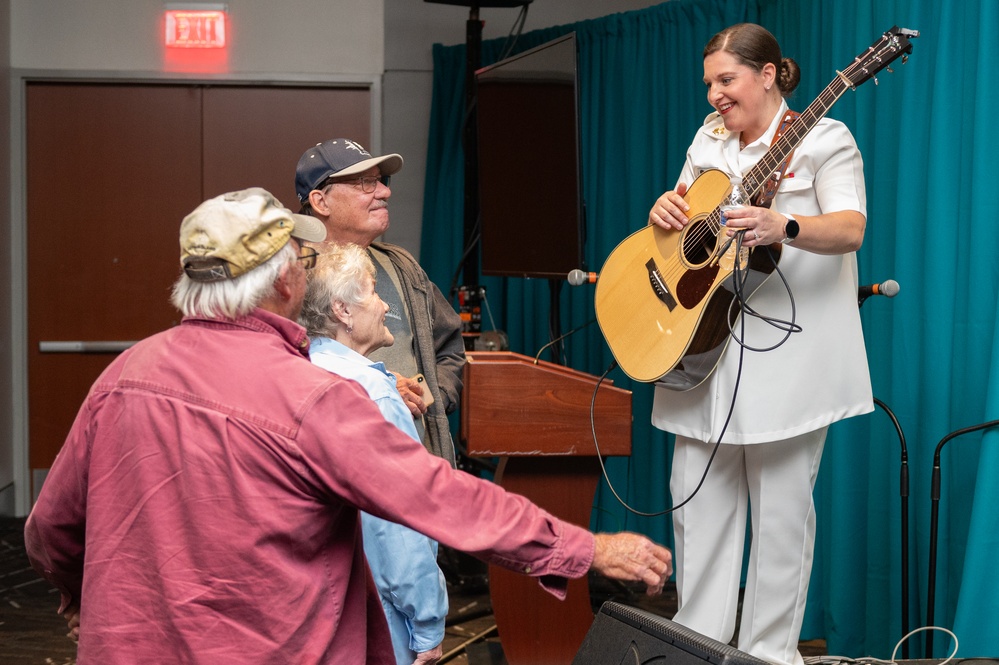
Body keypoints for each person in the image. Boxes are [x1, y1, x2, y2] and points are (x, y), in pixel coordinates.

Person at [25, 187, 673, 664]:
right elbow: (443, 498)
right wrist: (588, 548)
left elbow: (50, 526)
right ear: (284, 279)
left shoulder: (124, 372)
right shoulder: (309, 395)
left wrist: (84, 597)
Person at [647, 24, 872, 665]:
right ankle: (697, 648)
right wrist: (668, 209)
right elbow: (687, 230)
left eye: (727, 80)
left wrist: (785, 223)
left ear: (769, 73)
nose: (715, 95)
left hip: (787, 357)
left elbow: (851, 228)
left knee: (780, 519)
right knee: (698, 512)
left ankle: (771, 656)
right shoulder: (706, 140)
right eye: (710, 83)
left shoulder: (827, 136)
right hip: (700, 350)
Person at [299, 243, 448, 665]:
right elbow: (398, 527)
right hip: (378, 620)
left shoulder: (303, 371)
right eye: (373, 292)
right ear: (343, 311)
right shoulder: (376, 395)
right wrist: (428, 625)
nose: (385, 305)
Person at [295, 138, 462, 468]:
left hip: (417, 470)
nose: (384, 192)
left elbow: (450, 349)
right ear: (320, 201)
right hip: (333, 475)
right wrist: (375, 389)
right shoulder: (290, 275)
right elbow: (273, 370)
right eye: (365, 183)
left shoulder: (402, 267)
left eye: (380, 182)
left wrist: (426, 396)